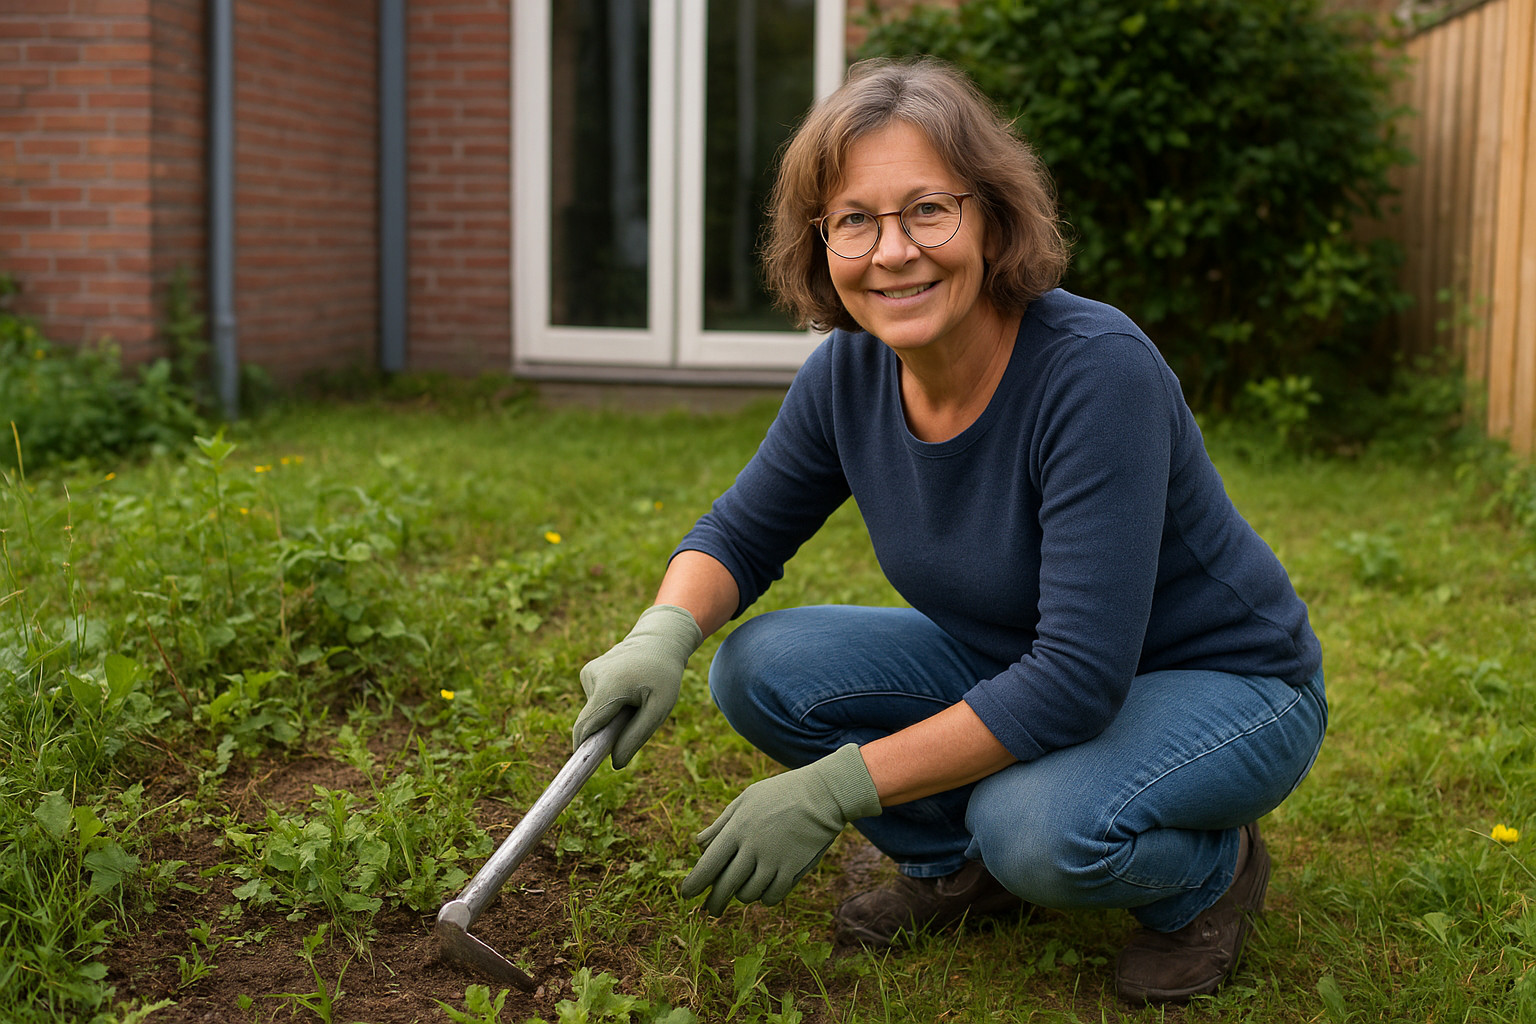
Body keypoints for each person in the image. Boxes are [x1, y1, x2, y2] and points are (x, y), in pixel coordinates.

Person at [571, 56, 1326, 1004]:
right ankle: (956, 871)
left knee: (1034, 830)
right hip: (1018, 660)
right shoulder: (847, 376)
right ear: (821, 243)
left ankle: (1211, 877)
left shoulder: (1096, 374)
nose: (894, 251)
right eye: (856, 220)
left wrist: (834, 789)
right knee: (759, 666)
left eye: (929, 209)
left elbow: (1079, 680)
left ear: (993, 218)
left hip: (1224, 682)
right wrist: (661, 634)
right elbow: (740, 534)